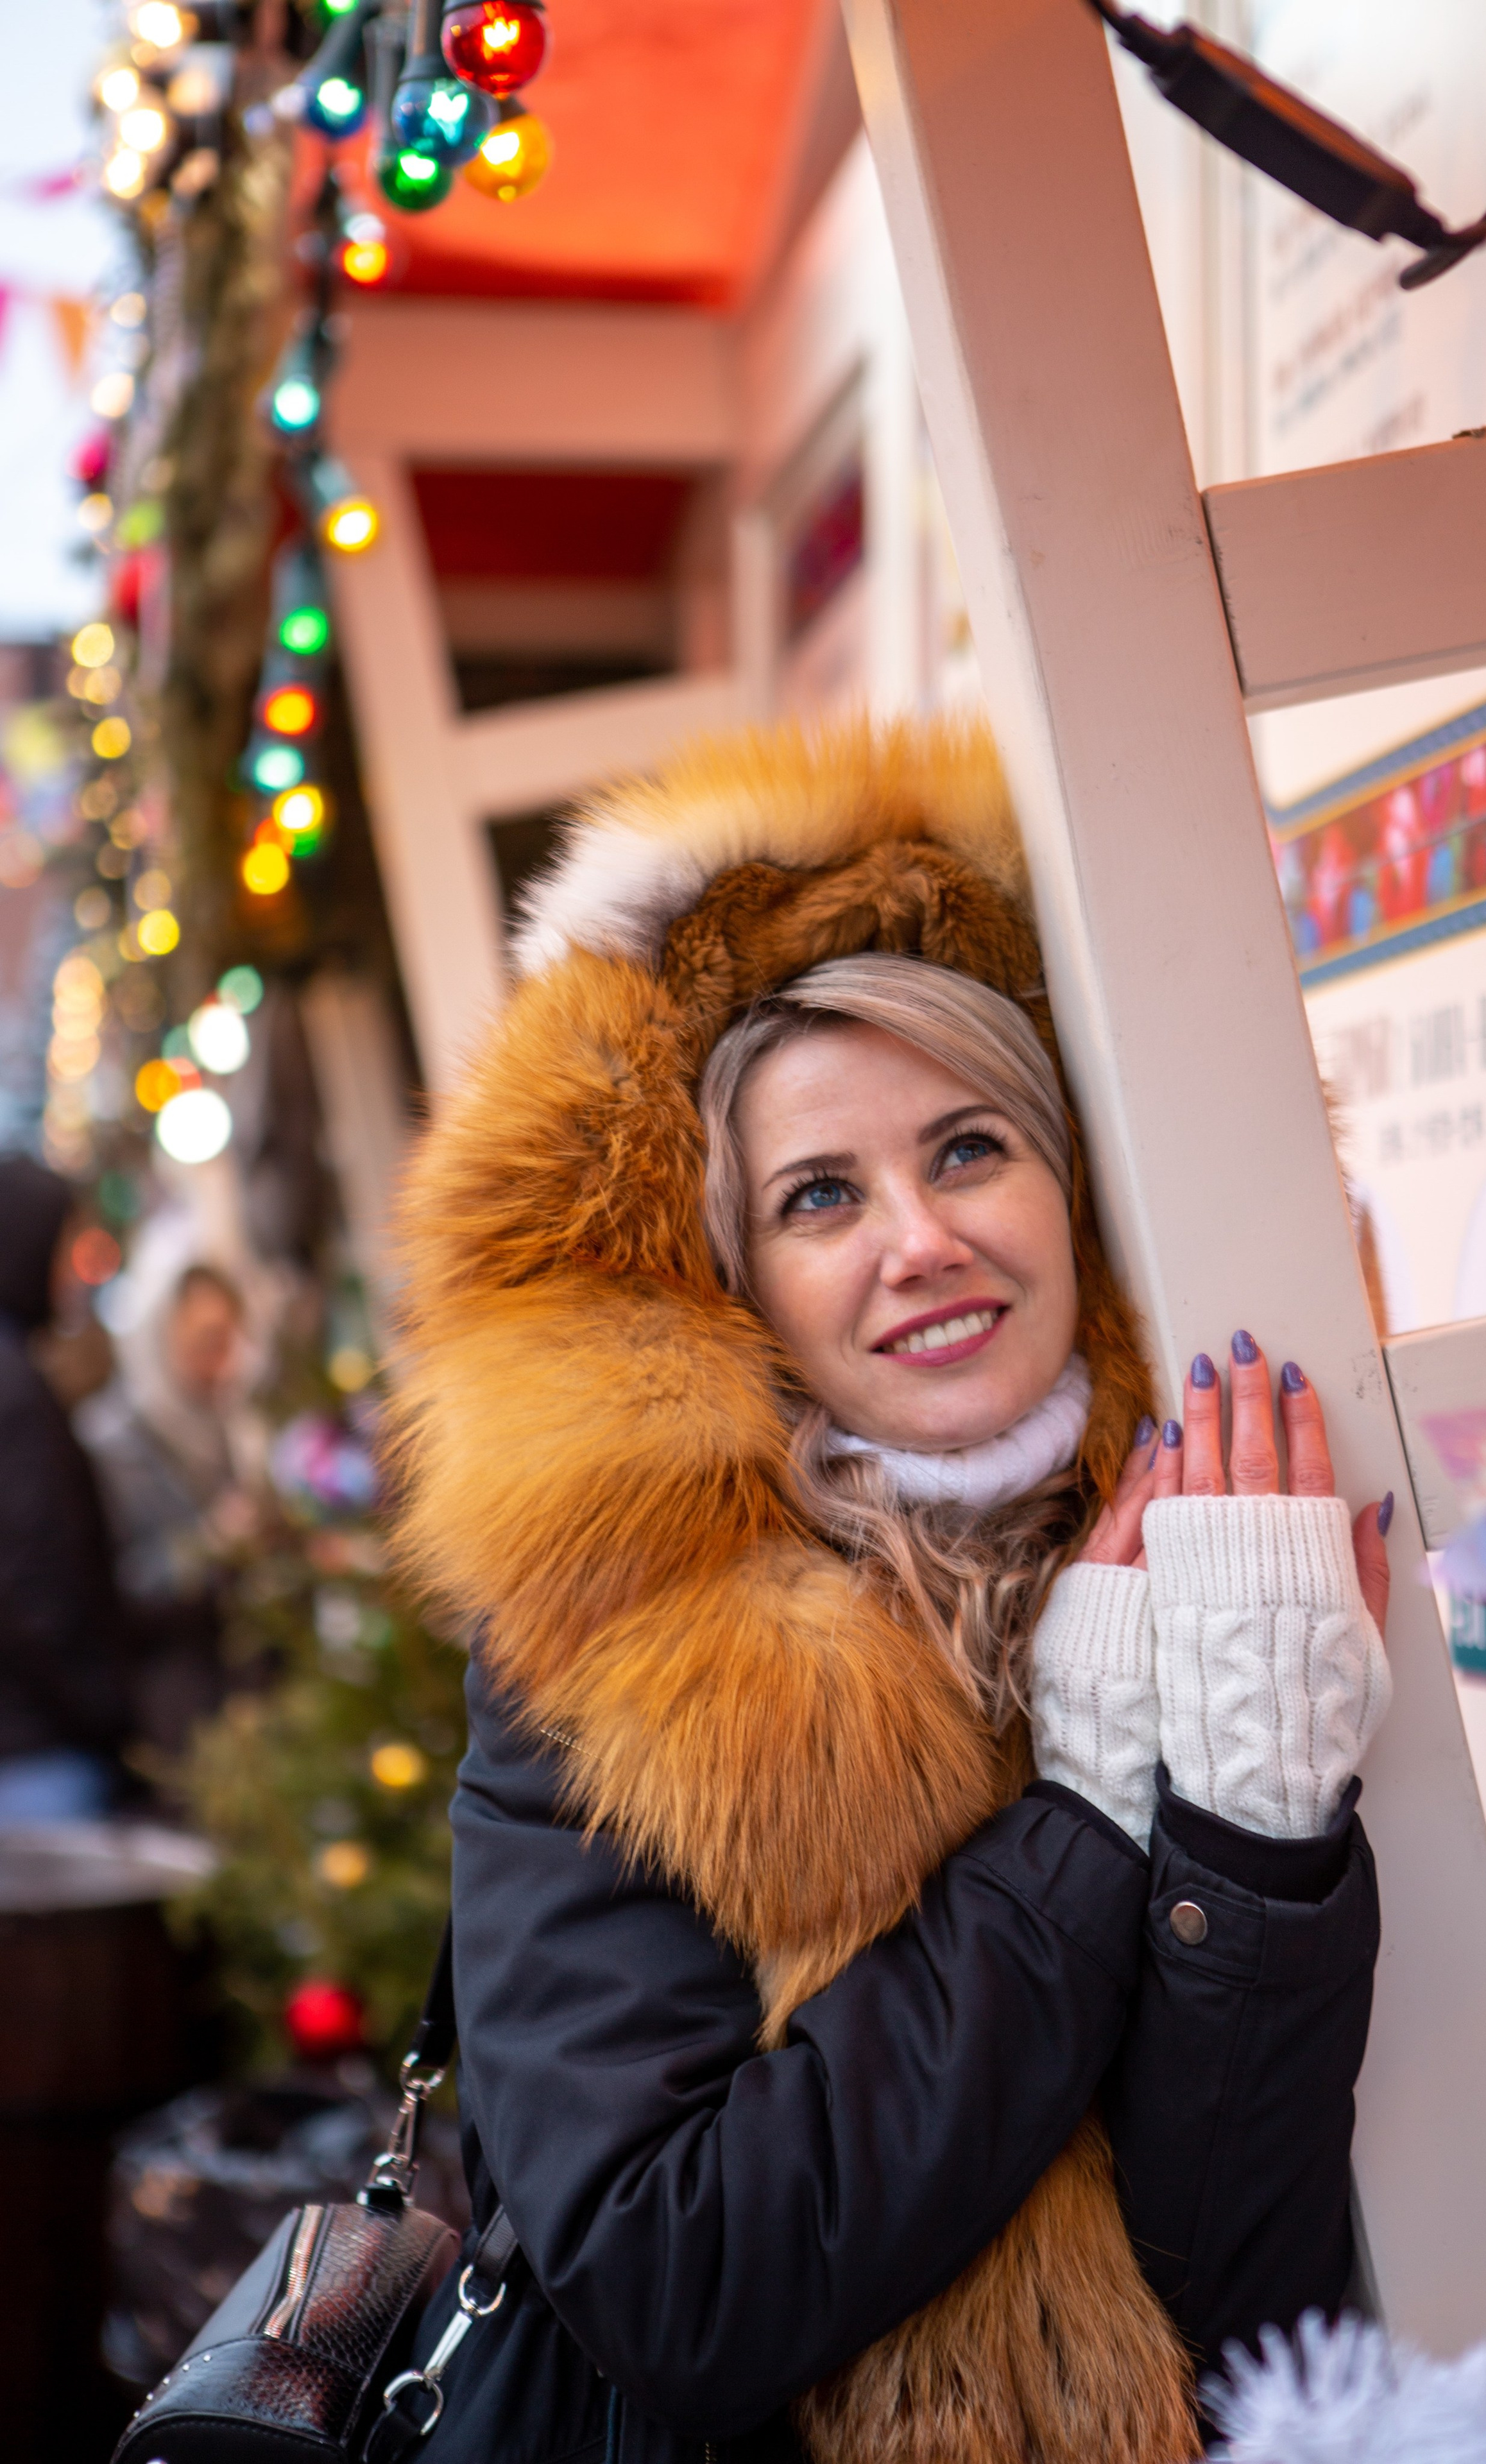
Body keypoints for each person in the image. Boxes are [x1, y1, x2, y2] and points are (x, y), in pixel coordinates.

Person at [389, 721, 1392, 2464]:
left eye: (969, 1148)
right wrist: (1084, 1814)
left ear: (1071, 1179)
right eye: (821, 1196)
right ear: (741, 1282)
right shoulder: (617, 1662)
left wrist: (1253, 1811)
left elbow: (1236, 2305)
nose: (917, 1240)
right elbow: (680, 2278)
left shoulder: (1263, 1548)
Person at [80, 1260, 262, 1758]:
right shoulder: (112, 1442)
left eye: (230, 1341)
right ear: (162, 1337)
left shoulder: (220, 1424)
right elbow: (117, 1587)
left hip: (246, 1697)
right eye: (206, 1341)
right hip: (180, 1714)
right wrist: (211, 1545)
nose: (221, 1363)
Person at [0, 1154, 129, 1820]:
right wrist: (104, 1711)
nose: (77, 1271)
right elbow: (35, 1587)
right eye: (64, 1248)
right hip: (40, 1751)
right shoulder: (14, 1389)